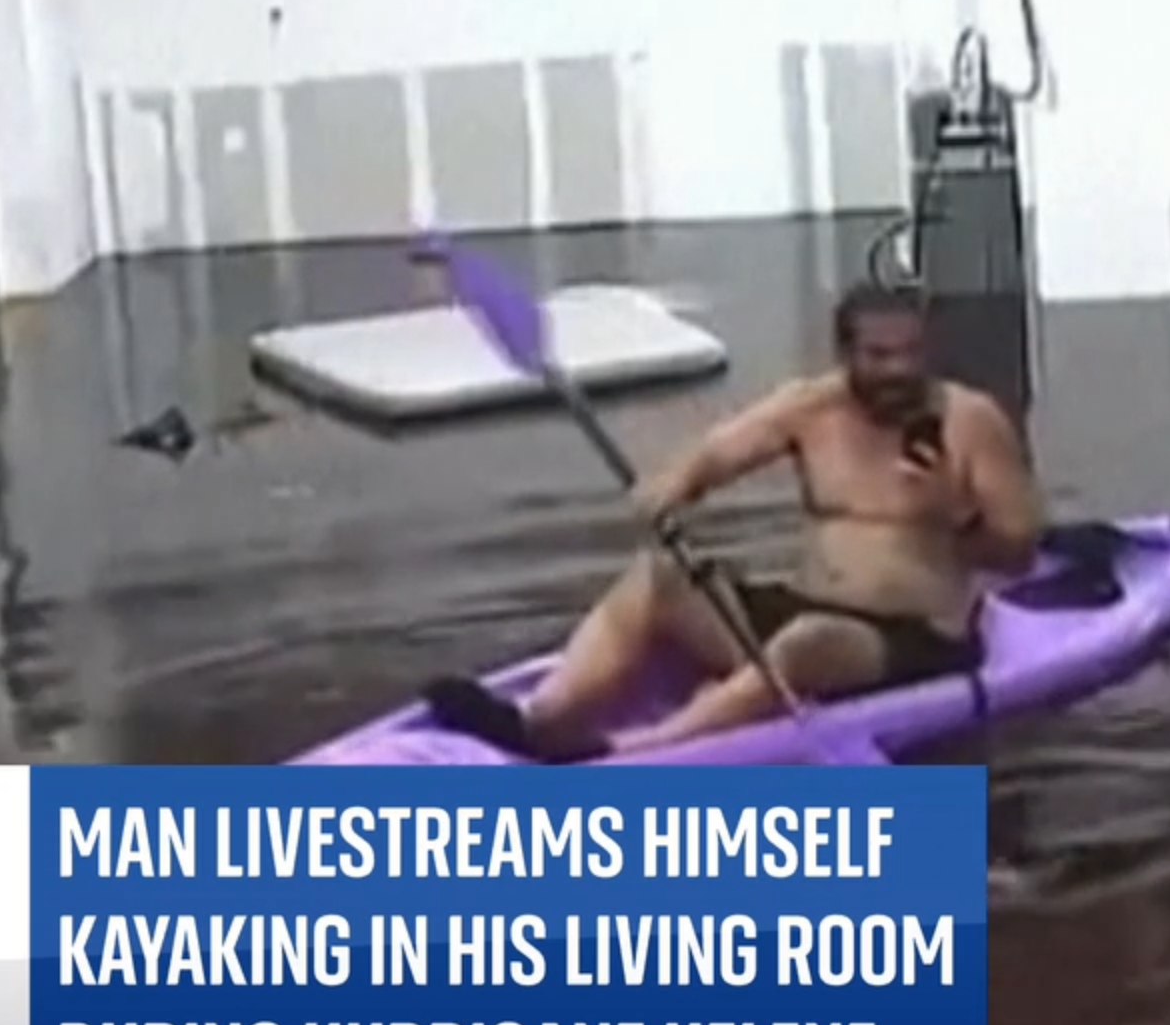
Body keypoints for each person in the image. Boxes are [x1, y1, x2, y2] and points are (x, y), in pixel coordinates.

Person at [426, 281, 1044, 759]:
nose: (897, 371)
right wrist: (673, 487)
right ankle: (542, 721)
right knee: (661, 574)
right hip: (804, 608)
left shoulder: (969, 422)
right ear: (845, 353)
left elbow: (1018, 550)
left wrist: (953, 517)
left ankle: (631, 753)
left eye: (909, 354)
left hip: (915, 643)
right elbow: (718, 453)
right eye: (879, 356)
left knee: (807, 644)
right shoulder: (811, 408)